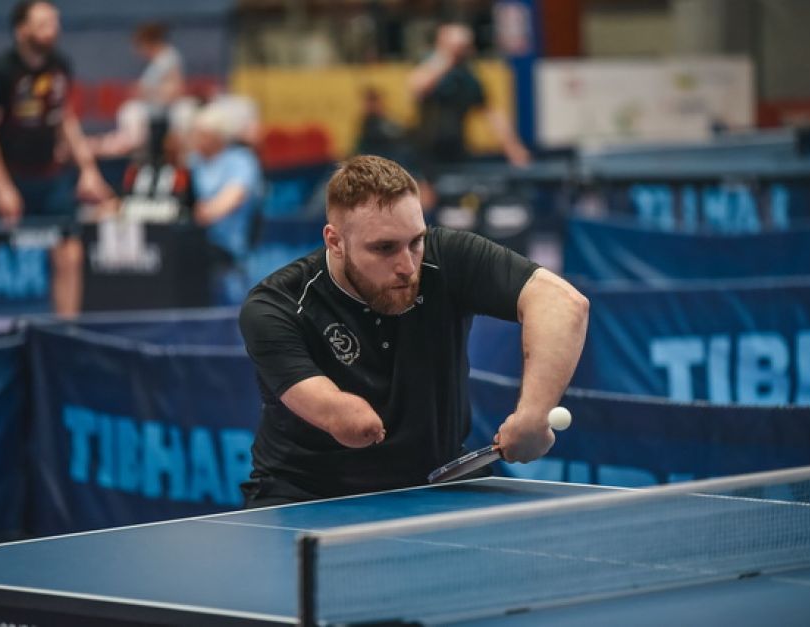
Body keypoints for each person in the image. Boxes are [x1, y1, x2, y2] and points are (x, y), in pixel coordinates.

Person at [238, 155, 588, 507]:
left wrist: (533, 415)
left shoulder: (446, 258)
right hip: (308, 495)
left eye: (416, 241)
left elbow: (563, 303)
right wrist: (346, 415)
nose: (407, 266)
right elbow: (339, 415)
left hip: (435, 483)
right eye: (384, 248)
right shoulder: (278, 304)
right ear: (335, 241)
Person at [0, 0, 112, 318]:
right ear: (22, 31)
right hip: (11, 177)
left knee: (69, 254)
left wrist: (88, 170)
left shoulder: (60, 65)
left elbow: (65, 118)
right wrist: (1, 187)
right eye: (43, 23)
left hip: (51, 178)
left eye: (54, 22)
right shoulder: (0, 72)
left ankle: (66, 332)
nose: (53, 29)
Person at [408, 23, 530, 173]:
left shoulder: (467, 77)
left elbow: (491, 112)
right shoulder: (430, 65)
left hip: (455, 149)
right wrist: (447, 58)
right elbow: (417, 87)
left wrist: (513, 147)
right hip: (424, 151)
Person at [187, 102, 263, 304]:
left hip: (227, 244)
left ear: (217, 136)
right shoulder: (193, 161)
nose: (195, 139)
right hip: (192, 238)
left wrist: (203, 213)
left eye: (201, 134)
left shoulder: (242, 161)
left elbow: (234, 198)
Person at [132, 22, 185, 161]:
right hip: (153, 117)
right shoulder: (156, 62)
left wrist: (148, 91)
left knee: (161, 158)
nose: (139, 51)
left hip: (165, 120)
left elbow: (175, 90)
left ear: (148, 42)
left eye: (140, 46)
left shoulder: (168, 59)